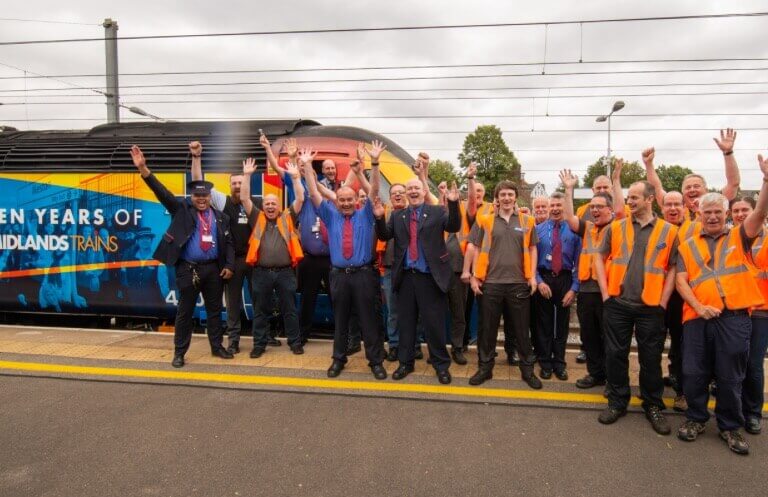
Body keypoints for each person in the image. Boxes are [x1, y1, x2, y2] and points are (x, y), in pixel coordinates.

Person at [675, 168, 768, 454]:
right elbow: (681, 280)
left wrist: (766, 181)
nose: (713, 216)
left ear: (726, 214)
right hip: (697, 318)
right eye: (708, 212)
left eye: (718, 212)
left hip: (734, 318)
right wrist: (698, 306)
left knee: (730, 376)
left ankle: (730, 426)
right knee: (693, 373)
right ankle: (696, 418)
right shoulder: (687, 245)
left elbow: (760, 214)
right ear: (699, 214)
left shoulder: (740, 237)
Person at [129, 145, 235, 368]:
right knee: (185, 311)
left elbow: (229, 242)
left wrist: (229, 265)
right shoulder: (181, 210)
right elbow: (162, 193)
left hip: (214, 270)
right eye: (197, 195)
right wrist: (144, 169)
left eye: (205, 195)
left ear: (209, 196)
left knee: (215, 311)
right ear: (192, 197)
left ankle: (217, 347)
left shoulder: (221, 217)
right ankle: (179, 353)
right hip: (188, 269)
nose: (201, 199)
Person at [593, 180, 678, 434]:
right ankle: (618, 401)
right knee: (615, 354)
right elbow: (599, 255)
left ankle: (652, 404)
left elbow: (673, 267)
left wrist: (663, 300)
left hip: (650, 306)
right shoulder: (616, 228)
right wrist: (605, 293)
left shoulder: (668, 231)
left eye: (635, 198)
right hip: (617, 303)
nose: (629, 201)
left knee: (650, 358)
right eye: (629, 197)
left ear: (650, 199)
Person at [304, 141, 388, 380]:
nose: (346, 203)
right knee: (340, 320)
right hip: (339, 275)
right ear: (337, 202)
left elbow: (373, 191)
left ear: (356, 201)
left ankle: (375, 362)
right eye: (342, 200)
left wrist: (374, 162)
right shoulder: (330, 215)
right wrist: (309, 166)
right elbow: (313, 193)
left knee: (369, 320)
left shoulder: (365, 214)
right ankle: (338, 359)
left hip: (363, 275)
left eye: (350, 199)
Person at [374, 172, 462, 383]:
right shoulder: (397, 215)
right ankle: (406, 363)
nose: (413, 191)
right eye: (409, 189)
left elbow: (454, 226)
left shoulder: (437, 212)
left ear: (423, 191)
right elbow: (385, 236)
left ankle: (441, 365)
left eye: (416, 188)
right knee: (406, 323)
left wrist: (452, 203)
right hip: (406, 278)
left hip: (430, 278)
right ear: (405, 194)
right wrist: (378, 217)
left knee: (434, 324)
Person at [466, 181, 543, 390]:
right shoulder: (484, 221)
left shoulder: (528, 221)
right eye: (503, 195)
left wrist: (532, 277)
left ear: (515, 197)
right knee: (487, 330)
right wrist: (473, 276)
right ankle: (485, 368)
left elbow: (533, 249)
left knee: (521, 331)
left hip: (519, 284)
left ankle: (527, 370)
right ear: (497, 199)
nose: (507, 198)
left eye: (510, 194)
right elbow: (473, 248)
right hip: (490, 283)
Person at [188, 141, 253, 354]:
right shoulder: (222, 202)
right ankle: (233, 340)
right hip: (232, 261)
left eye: (240, 183)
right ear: (229, 185)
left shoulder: (255, 204)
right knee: (233, 304)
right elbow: (199, 182)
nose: (237, 186)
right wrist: (197, 158)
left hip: (253, 260)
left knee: (260, 300)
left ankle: (265, 336)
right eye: (234, 183)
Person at [241, 156, 305, 358]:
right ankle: (259, 345)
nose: (270, 206)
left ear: (278, 206)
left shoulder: (287, 217)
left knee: (290, 311)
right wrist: (246, 176)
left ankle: (295, 343)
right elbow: (244, 198)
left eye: (273, 203)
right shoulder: (256, 216)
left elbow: (301, 199)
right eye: (267, 203)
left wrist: (295, 179)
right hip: (261, 273)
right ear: (264, 205)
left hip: (285, 273)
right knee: (260, 311)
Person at [561, 170, 613, 389]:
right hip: (586, 290)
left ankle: (613, 378)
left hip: (609, 292)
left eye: (599, 207)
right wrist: (569, 189)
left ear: (610, 209)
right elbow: (570, 218)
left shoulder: (619, 227)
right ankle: (595, 374)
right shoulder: (589, 228)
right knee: (590, 336)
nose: (594, 211)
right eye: (592, 207)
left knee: (609, 339)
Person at [642, 129, 741, 219]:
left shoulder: (716, 203)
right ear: (682, 193)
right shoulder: (676, 207)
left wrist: (728, 153)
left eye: (696, 186)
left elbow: (733, 183)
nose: (692, 190)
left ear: (706, 190)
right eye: (688, 187)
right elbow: (656, 189)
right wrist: (648, 164)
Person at [534, 192, 580, 381]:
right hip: (544, 278)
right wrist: (539, 282)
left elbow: (580, 262)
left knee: (561, 325)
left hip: (565, 279)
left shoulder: (575, 231)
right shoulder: (537, 230)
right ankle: (545, 362)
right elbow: (532, 260)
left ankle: (559, 363)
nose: (555, 209)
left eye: (558, 205)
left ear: (565, 207)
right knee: (543, 324)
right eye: (552, 205)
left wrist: (574, 288)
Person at [440, 162, 478, 365]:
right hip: (438, 273)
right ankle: (438, 350)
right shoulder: (438, 215)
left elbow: (473, 200)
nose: (449, 201)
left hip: (458, 273)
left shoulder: (467, 215)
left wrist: (470, 178)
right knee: (436, 312)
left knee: (458, 313)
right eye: (446, 198)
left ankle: (457, 348)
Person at [659, 191, 691, 412]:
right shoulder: (657, 231)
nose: (672, 208)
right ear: (662, 208)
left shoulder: (694, 229)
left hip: (683, 299)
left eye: (677, 204)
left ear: (684, 206)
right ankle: (652, 388)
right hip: (657, 297)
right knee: (652, 344)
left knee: (682, 347)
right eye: (668, 204)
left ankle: (682, 392)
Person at [744, 194, 768, 436]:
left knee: (753, 364)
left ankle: (752, 413)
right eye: (737, 211)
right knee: (733, 362)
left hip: (760, 312)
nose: (741, 214)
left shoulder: (766, 241)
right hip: (734, 311)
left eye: (746, 210)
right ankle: (734, 407)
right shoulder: (730, 242)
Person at [377, 182, 408, 361]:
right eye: (394, 193)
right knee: (393, 311)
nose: (397, 195)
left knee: (413, 310)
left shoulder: (414, 214)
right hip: (389, 269)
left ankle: (415, 344)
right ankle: (394, 345)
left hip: (410, 269)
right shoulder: (385, 214)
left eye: (401, 192)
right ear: (390, 197)